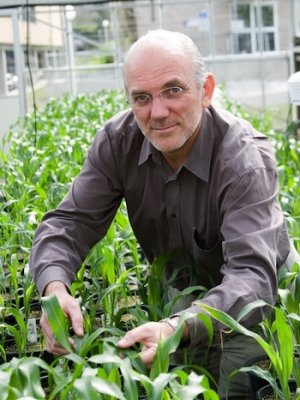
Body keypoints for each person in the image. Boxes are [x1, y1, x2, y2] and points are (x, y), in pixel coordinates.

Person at [29, 29, 297, 399]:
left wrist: (178, 326)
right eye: (141, 97)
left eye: (173, 90)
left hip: (255, 302)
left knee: (237, 387)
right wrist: (54, 289)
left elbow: (251, 276)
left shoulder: (242, 160)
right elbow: (70, 222)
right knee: (182, 385)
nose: (157, 112)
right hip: (180, 289)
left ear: (205, 91)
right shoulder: (118, 141)